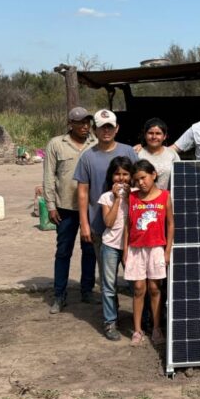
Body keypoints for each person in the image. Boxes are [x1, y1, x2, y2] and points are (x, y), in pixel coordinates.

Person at [74, 109, 138, 301]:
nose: (106, 131)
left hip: (129, 227)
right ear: (94, 130)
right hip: (100, 226)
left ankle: (140, 319)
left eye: (110, 127)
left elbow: (138, 183)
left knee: (135, 276)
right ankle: (111, 319)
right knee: (107, 279)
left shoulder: (128, 152)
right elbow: (83, 192)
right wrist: (84, 224)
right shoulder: (87, 157)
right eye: (102, 128)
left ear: (117, 128)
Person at [43, 107, 97, 314]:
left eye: (87, 122)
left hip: (91, 208)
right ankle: (59, 295)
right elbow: (49, 176)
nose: (85, 126)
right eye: (80, 122)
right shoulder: (57, 144)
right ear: (70, 124)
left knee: (90, 251)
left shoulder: (95, 143)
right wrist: (50, 205)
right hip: (65, 208)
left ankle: (87, 291)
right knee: (63, 251)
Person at [124, 160, 174, 347]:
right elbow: (128, 225)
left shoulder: (164, 196)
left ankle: (156, 327)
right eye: (137, 180)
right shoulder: (132, 197)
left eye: (144, 178)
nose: (141, 183)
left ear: (153, 175)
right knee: (138, 289)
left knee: (154, 288)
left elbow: (170, 224)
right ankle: (137, 330)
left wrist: (167, 250)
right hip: (136, 249)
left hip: (156, 249)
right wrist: (126, 249)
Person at [97, 156, 132, 341]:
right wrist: (118, 199)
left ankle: (142, 319)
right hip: (110, 246)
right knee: (109, 287)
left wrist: (128, 198)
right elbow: (108, 222)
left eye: (125, 174)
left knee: (136, 285)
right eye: (117, 174)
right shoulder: (106, 197)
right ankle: (110, 321)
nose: (121, 178)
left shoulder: (135, 195)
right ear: (112, 177)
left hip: (132, 248)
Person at [137, 118, 180, 190]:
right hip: (144, 199)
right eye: (150, 133)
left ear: (164, 136)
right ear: (145, 135)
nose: (154, 137)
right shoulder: (138, 154)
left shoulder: (172, 153)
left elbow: (180, 177)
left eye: (158, 133)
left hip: (167, 198)